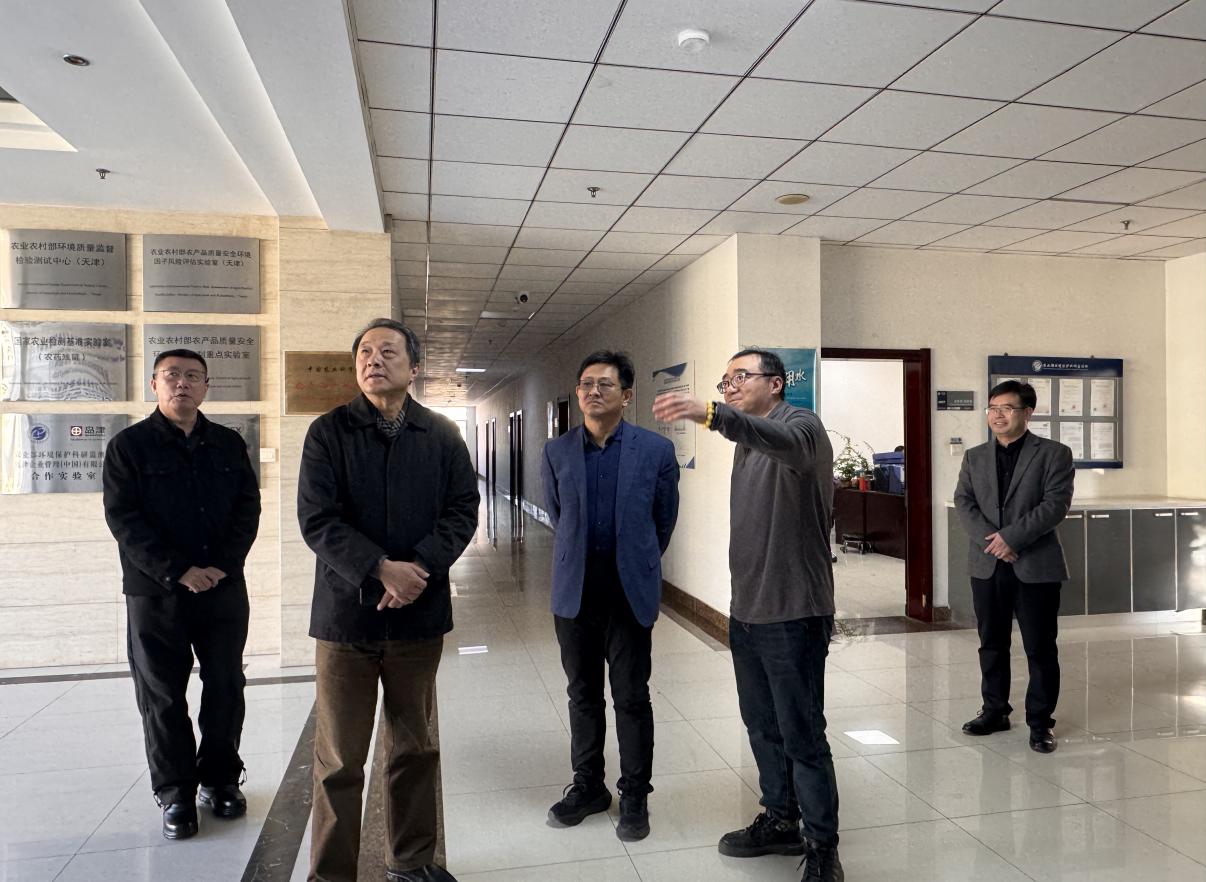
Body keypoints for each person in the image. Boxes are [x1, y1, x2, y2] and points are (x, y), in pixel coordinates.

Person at [298, 318, 478, 882]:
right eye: (365, 352)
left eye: (388, 351)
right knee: (339, 759)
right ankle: (332, 874)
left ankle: (411, 861)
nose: (373, 360)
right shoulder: (328, 432)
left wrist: (417, 569)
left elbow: (462, 511)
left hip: (418, 618)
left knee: (414, 747)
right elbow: (317, 520)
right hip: (345, 620)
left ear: (414, 367)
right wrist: (381, 569)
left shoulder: (442, 435)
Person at [652, 348, 843, 882]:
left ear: (776, 383)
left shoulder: (803, 427)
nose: (730, 386)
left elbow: (781, 441)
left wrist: (713, 413)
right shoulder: (748, 442)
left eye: (741, 377)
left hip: (794, 612)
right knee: (762, 725)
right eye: (725, 380)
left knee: (803, 733)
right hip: (749, 612)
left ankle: (823, 848)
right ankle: (781, 819)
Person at [102, 348, 261, 840]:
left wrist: (221, 567)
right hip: (155, 594)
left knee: (226, 686)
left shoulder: (229, 444)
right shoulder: (129, 446)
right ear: (154, 384)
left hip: (222, 589)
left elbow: (247, 509)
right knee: (163, 695)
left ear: (206, 386)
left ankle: (220, 779)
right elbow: (123, 519)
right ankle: (175, 793)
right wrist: (179, 571)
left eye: (193, 376)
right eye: (172, 375)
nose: (182, 384)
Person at [541, 351, 679, 842]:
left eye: (604, 384)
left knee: (631, 698)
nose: (592, 392)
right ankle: (589, 786)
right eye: (585, 384)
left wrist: (636, 562)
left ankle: (635, 794)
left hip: (628, 596)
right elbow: (558, 515)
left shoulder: (655, 451)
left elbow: (663, 521)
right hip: (575, 595)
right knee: (582, 695)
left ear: (627, 395)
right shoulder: (557, 451)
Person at [954, 379, 1074, 754]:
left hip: (1035, 564)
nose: (997, 415)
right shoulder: (974, 457)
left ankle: (1040, 723)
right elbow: (964, 503)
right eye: (992, 408)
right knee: (991, 644)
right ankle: (995, 711)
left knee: (1040, 647)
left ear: (1027, 412)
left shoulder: (1054, 454)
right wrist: (994, 543)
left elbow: (1055, 505)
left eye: (1006, 408)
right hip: (987, 564)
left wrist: (1012, 539)